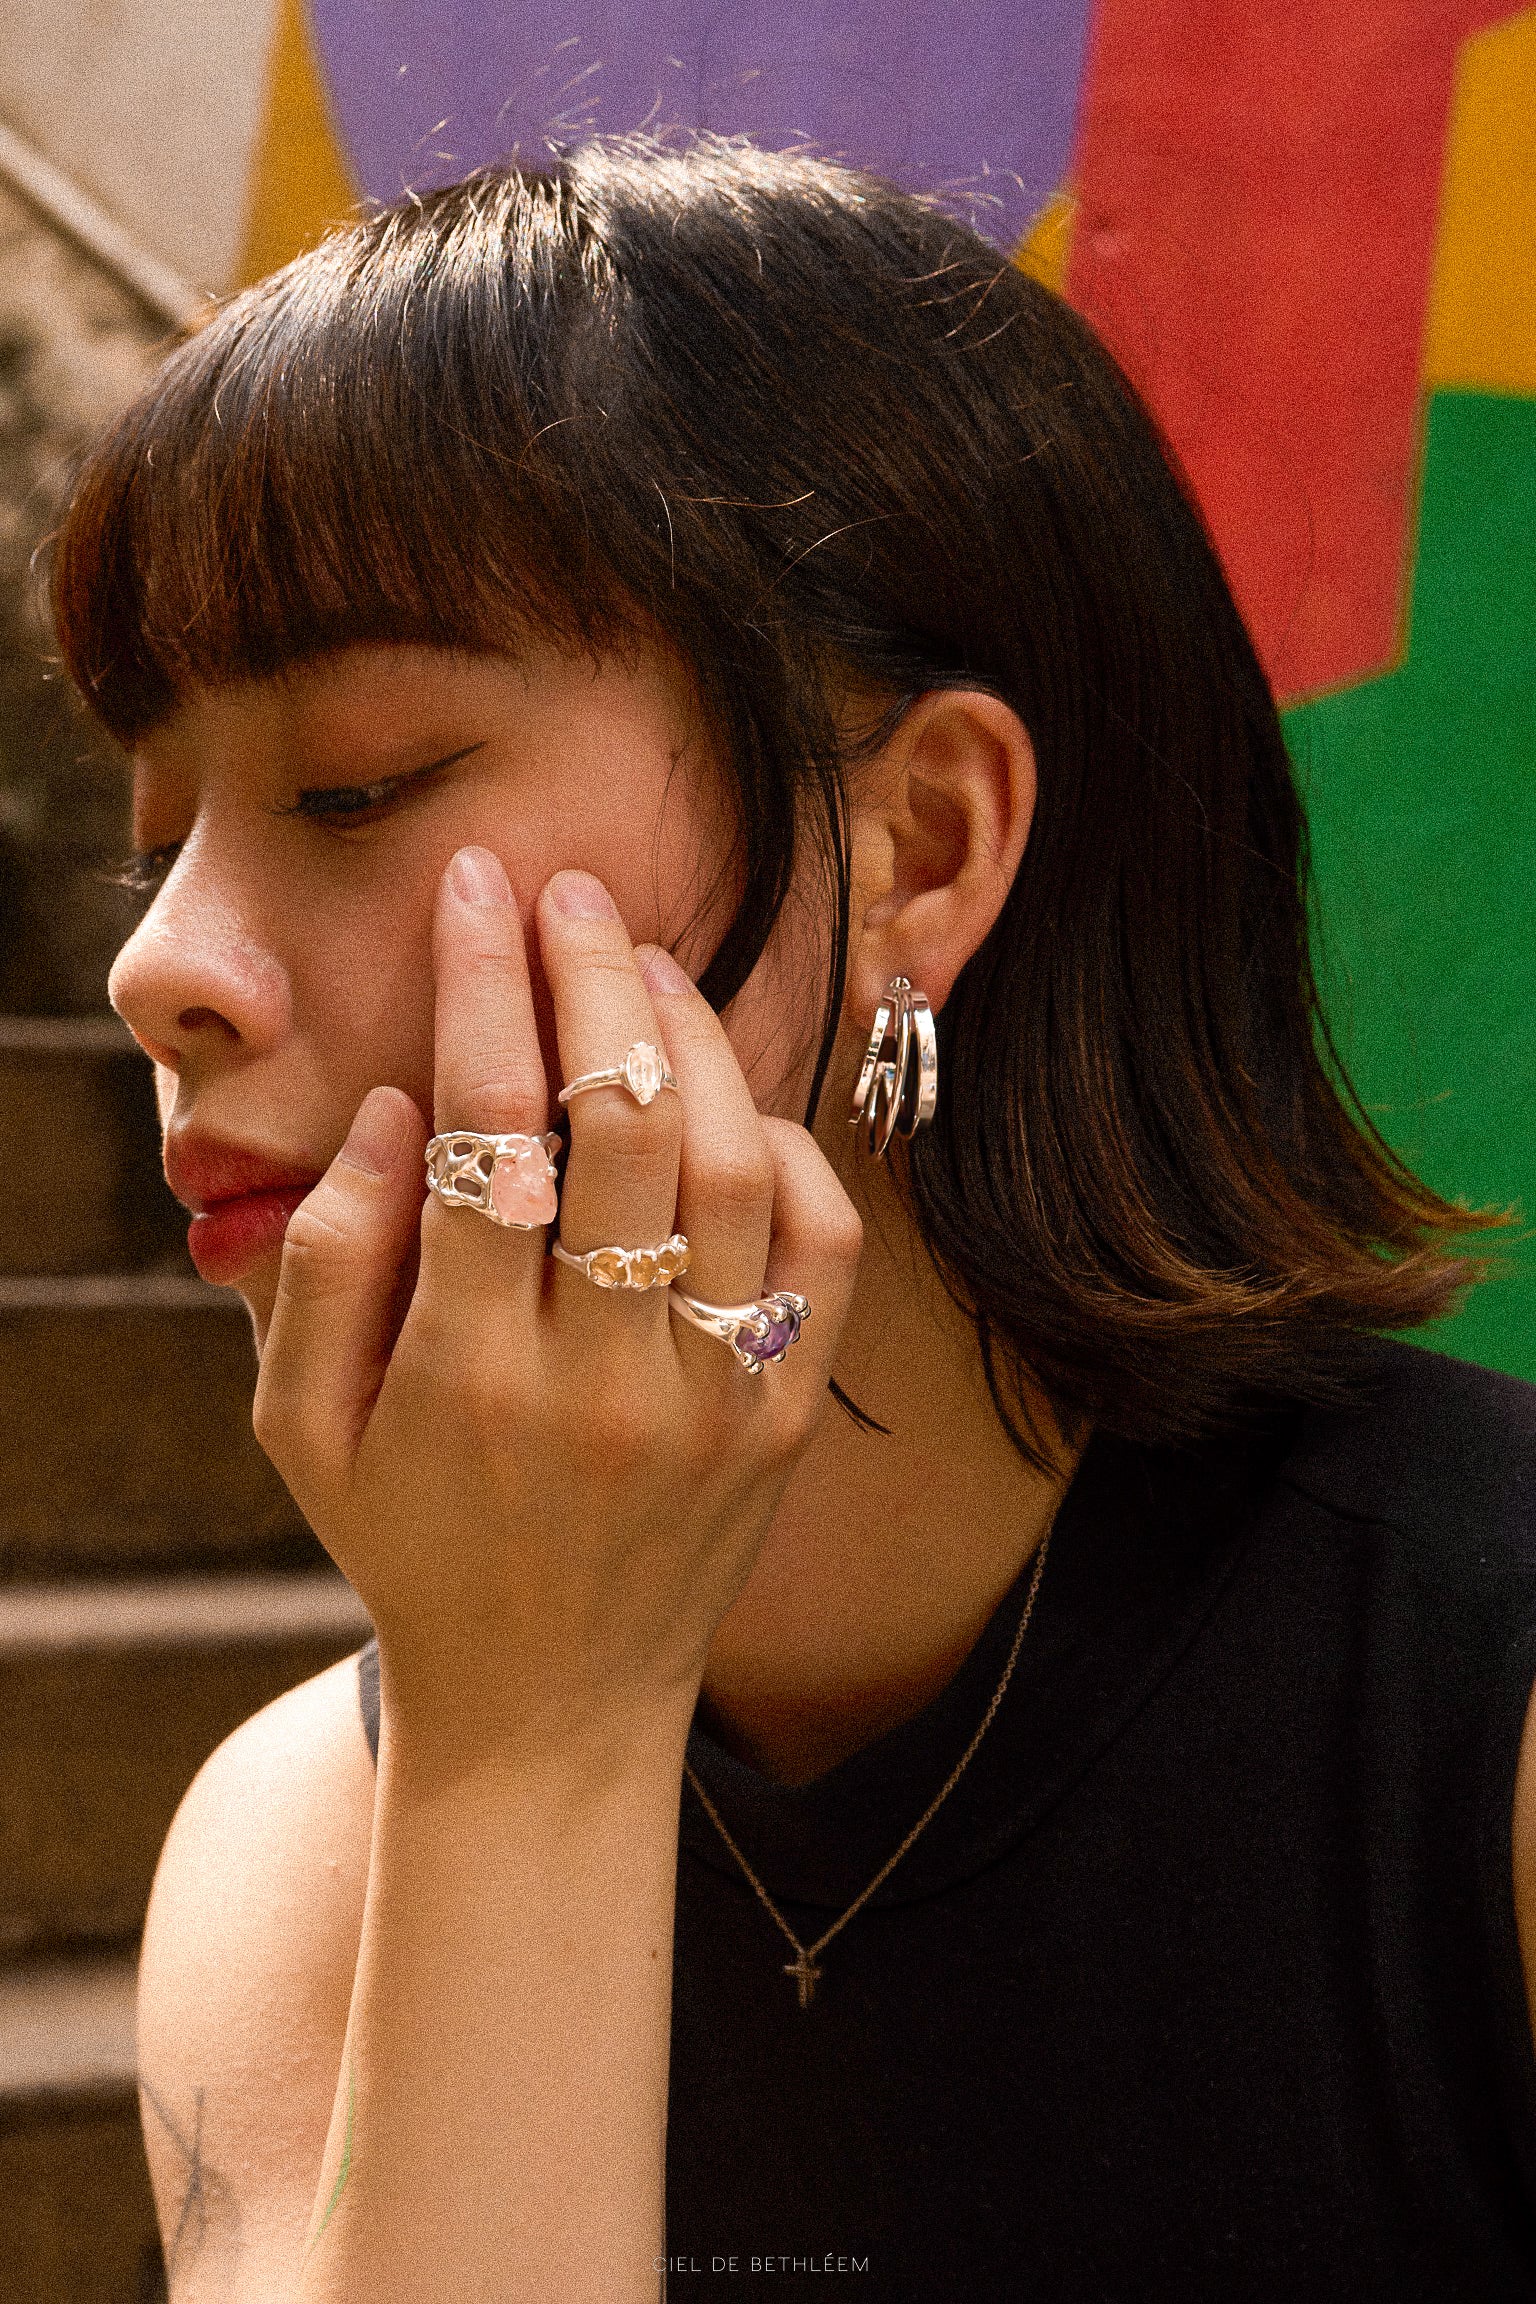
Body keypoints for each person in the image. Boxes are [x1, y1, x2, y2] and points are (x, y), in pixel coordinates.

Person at [48, 134, 1536, 2302]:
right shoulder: (308, 1852)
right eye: (150, 841)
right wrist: (528, 1742)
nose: (152, 970)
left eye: (353, 783)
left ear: (921, 845)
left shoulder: (1477, 1721)